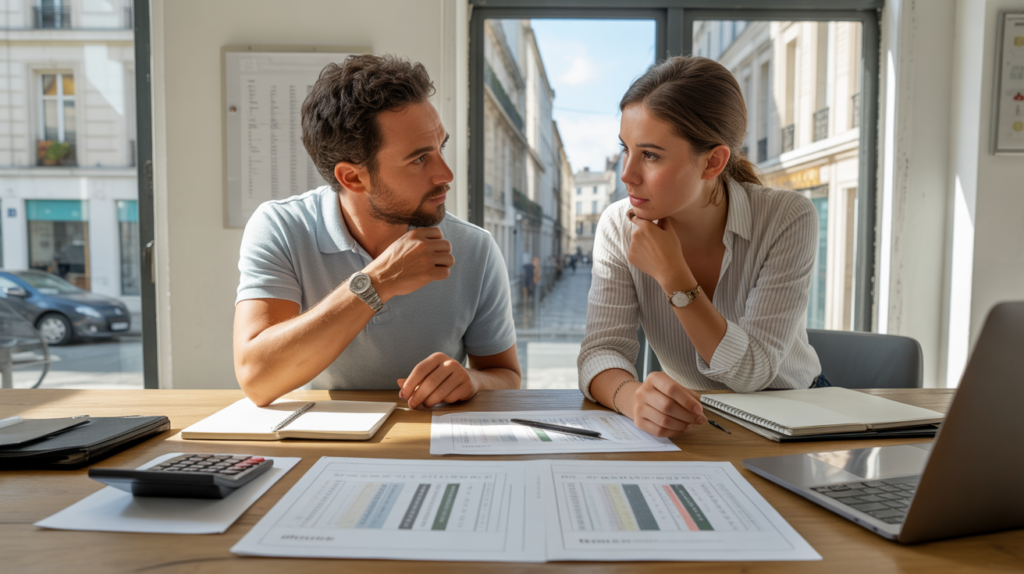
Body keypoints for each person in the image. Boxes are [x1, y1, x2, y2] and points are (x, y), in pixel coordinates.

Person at [233, 54, 520, 408]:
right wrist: (377, 282)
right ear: (352, 177)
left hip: (433, 446)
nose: (446, 174)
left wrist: (474, 380)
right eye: (418, 159)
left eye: (440, 147)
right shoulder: (281, 227)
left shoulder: (475, 247)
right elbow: (258, 380)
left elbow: (507, 376)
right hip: (324, 444)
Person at [578, 56, 823, 438]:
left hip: (794, 414)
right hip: (694, 418)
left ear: (713, 162)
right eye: (625, 149)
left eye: (650, 155)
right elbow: (600, 352)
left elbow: (752, 372)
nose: (627, 174)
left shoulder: (787, 217)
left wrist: (673, 276)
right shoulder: (617, 224)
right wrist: (633, 398)